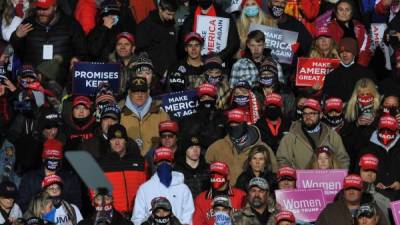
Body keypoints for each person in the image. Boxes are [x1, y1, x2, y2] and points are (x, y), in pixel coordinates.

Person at [10, 0, 87, 86]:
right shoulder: (28, 23)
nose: (41, 12)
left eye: (45, 9)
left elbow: (82, 50)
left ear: (55, 7)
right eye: (39, 8)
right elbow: (18, 51)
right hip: (32, 81)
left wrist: (77, 59)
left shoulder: (71, 24)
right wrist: (16, 37)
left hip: (61, 83)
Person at [206, 108, 278, 184]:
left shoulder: (263, 148)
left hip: (253, 193)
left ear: (245, 124)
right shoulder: (217, 147)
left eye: (237, 123)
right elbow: (206, 172)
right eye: (231, 123)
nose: (234, 126)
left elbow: (274, 173)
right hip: (225, 193)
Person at [276, 98, 349, 169]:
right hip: (301, 180)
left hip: (327, 180)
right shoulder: (290, 137)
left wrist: (337, 178)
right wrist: (293, 178)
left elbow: (342, 159)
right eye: (305, 113)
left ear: (320, 115)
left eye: (312, 113)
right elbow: (282, 160)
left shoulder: (332, 135)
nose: (308, 116)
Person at [132, 147, 194, 225]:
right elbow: (137, 218)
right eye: (160, 161)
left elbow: (188, 217)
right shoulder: (144, 189)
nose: (164, 164)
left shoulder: (183, 189)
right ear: (155, 164)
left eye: (167, 161)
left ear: (172, 163)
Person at [18, 139, 81, 212]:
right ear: (43, 159)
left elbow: (76, 204)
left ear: (60, 160)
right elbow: (22, 203)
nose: (53, 160)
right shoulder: (29, 178)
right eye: (50, 157)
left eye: (56, 157)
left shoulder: (70, 178)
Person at [98, 124, 146, 216]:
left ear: (125, 141)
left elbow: (145, 187)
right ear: (109, 142)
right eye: (113, 139)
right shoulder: (100, 163)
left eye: (120, 139)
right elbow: (95, 193)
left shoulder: (139, 161)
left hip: (138, 214)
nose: (117, 142)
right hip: (112, 216)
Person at [120, 77, 170, 156]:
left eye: (143, 91)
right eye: (136, 92)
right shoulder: (120, 114)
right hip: (129, 163)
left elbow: (169, 142)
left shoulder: (161, 114)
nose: (140, 95)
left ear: (148, 92)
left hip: (155, 162)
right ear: (129, 93)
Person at [315, 174, 389, 225]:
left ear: (362, 190)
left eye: (355, 188)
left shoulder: (374, 208)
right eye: (348, 188)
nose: (351, 191)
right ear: (343, 190)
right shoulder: (330, 210)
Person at [341, 78, 381, 171]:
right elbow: (344, 134)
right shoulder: (349, 109)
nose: (365, 96)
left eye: (367, 93)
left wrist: (374, 123)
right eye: (361, 94)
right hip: (354, 156)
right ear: (356, 94)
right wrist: (357, 124)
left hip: (375, 155)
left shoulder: (380, 109)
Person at [358, 115, 400, 200]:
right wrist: (373, 185)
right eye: (383, 130)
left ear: (396, 131)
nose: (386, 133)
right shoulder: (366, 149)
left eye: (389, 131)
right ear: (377, 130)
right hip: (374, 197)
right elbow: (358, 175)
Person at [322, 38, 376, 102]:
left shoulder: (366, 74)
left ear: (354, 53)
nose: (344, 55)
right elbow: (326, 99)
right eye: (342, 52)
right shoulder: (331, 76)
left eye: (348, 51)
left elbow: (374, 96)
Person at [136, 0, 178, 77]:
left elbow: (172, 50)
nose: (171, 17)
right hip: (153, 74)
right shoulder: (145, 26)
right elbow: (142, 53)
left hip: (170, 72)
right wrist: (161, 70)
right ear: (160, 9)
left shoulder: (171, 25)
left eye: (173, 15)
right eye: (168, 14)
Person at [179, 83, 227, 149]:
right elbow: (187, 140)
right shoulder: (189, 119)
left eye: (210, 97)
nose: (207, 100)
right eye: (203, 98)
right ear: (198, 100)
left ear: (215, 99)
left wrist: (200, 139)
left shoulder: (223, 117)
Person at [327, 0, 372, 67]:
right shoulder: (328, 28)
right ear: (336, 13)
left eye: (347, 10)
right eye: (341, 10)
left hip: (357, 67)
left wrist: (359, 68)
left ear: (351, 13)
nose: (344, 13)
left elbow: (365, 50)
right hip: (335, 67)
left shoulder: (360, 27)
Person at [173, 134, 210, 198]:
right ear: (185, 150)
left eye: (197, 147)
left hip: (203, 206)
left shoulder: (208, 169)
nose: (195, 150)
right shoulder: (177, 170)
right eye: (191, 147)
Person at [357, 154, 391, 222]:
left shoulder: (385, 197)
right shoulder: (348, 194)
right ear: (359, 171)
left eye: (373, 171)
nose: (370, 174)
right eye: (366, 170)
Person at [108, 32, 137, 97]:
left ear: (133, 48)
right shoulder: (108, 65)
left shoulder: (140, 65)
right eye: (119, 44)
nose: (122, 47)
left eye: (126, 44)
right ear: (115, 47)